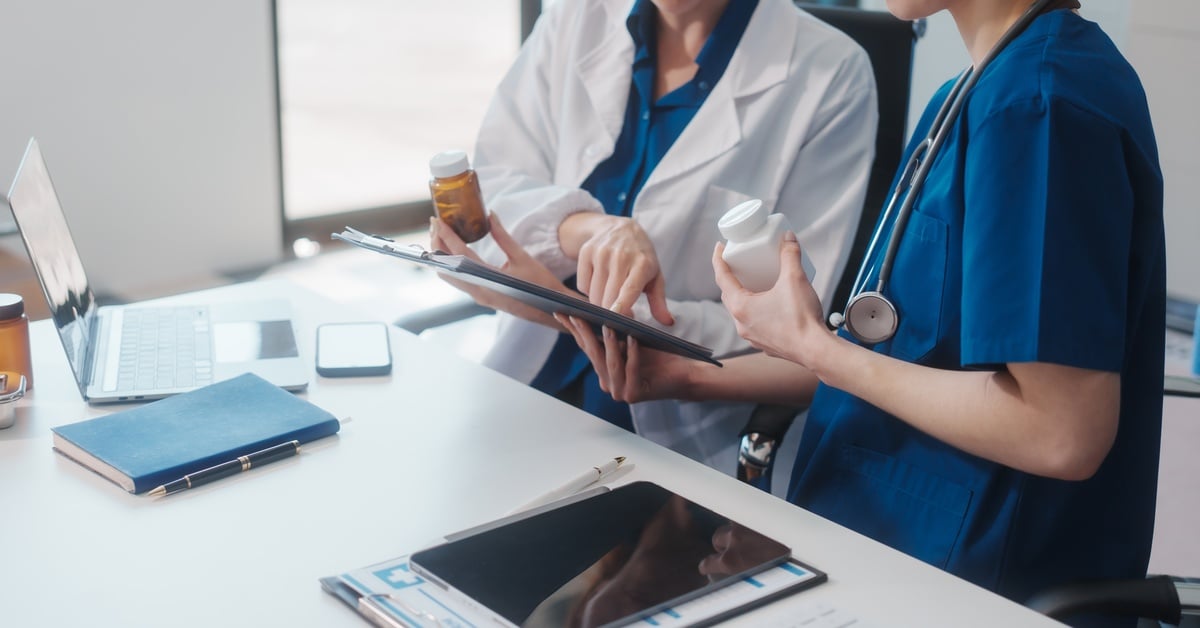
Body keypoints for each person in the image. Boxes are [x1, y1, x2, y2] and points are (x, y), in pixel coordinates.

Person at [557, 1, 1166, 624]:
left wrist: (819, 347)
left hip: (964, 582)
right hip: (868, 538)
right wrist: (685, 378)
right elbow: (888, 359)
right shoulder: (968, 96)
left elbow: (1062, 432)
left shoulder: (1039, 109)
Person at [432, 0, 878, 474]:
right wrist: (594, 230)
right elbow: (491, 196)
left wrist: (559, 305)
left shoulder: (830, 72)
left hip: (678, 433)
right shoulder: (577, 17)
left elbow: (789, 325)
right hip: (527, 388)